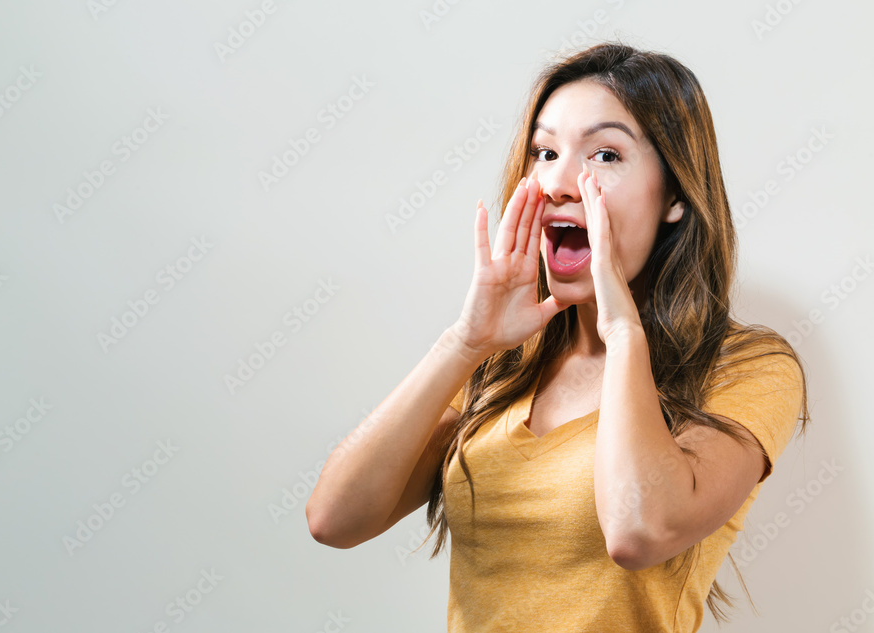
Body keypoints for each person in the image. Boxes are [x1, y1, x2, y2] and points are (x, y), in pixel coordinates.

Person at [306, 41, 809, 632]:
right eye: (545, 152)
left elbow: (639, 531)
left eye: (603, 154)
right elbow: (334, 520)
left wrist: (622, 330)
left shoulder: (749, 366)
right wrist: (465, 343)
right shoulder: (503, 369)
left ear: (674, 195)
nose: (561, 183)